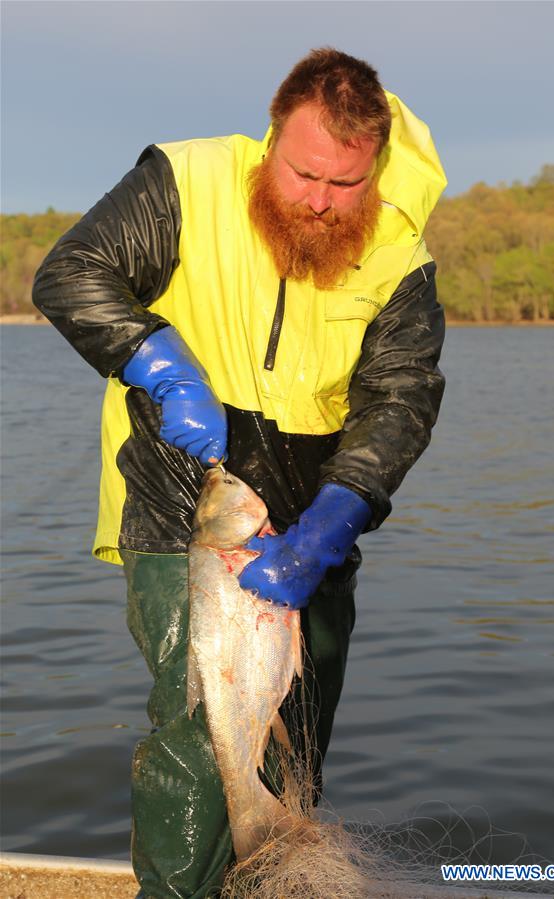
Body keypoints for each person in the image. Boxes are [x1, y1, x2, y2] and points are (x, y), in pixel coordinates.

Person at [33, 47, 447, 899]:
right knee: (199, 730)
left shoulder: (398, 248)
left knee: (294, 731)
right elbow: (71, 275)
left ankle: (266, 879)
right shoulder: (186, 181)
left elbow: (399, 396)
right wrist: (159, 361)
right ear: (271, 138)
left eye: (346, 183)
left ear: (374, 165)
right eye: (303, 174)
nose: (321, 201)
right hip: (185, 504)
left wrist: (340, 513)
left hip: (313, 516)